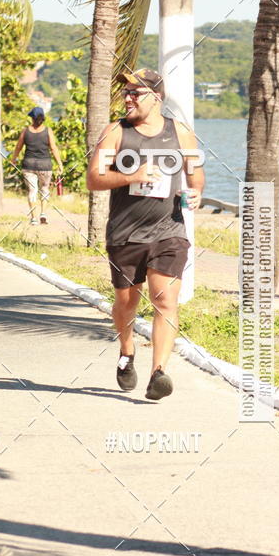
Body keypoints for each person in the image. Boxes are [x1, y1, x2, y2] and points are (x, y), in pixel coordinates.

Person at [86, 68, 204, 401]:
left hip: (170, 230)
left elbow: (195, 177)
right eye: (126, 92)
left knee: (165, 299)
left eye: (135, 93)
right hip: (125, 233)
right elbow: (94, 179)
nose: (127, 98)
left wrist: (195, 194)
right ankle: (127, 353)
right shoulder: (115, 133)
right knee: (127, 302)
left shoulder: (180, 133)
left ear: (156, 97)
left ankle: (159, 372)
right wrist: (130, 175)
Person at [11, 106, 63, 225]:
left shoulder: (25, 131)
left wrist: (13, 159)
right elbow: (53, 148)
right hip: (45, 166)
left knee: (32, 191)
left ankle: (34, 218)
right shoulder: (48, 131)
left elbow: (18, 147)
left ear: (32, 118)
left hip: (28, 165)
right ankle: (43, 213)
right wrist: (59, 164)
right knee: (44, 190)